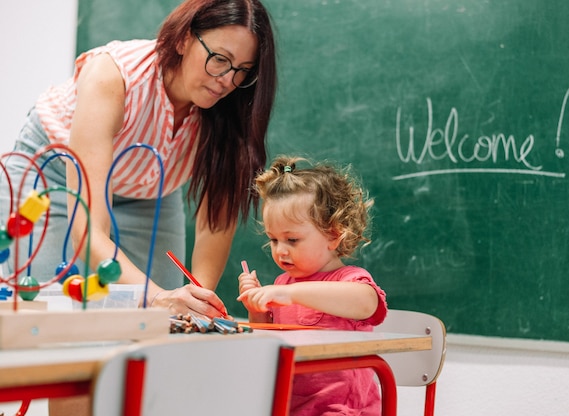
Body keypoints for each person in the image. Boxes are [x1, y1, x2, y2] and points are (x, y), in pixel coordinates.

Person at [0, 0, 276, 319]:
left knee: (171, 313)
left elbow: (215, 225)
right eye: (219, 59)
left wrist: (200, 300)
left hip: (150, 189)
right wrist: (157, 297)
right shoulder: (112, 76)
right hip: (58, 178)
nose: (227, 81)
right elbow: (89, 233)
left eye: (243, 70)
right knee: (50, 307)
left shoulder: (233, 109)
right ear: (185, 38)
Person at [237, 156, 388, 415]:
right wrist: (257, 309)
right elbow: (271, 342)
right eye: (273, 240)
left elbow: (366, 303)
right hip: (292, 406)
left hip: (344, 409)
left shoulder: (350, 280)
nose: (280, 250)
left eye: (292, 240)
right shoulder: (282, 283)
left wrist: (289, 293)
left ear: (333, 234)